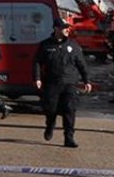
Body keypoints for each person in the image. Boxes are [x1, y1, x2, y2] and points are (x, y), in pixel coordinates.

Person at [33, 19, 91, 148]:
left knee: (69, 110)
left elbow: (81, 64)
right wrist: (37, 78)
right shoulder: (45, 45)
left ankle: (69, 137)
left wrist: (87, 80)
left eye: (67, 27)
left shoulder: (73, 45)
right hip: (52, 83)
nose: (67, 30)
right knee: (51, 109)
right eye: (64, 27)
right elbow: (37, 62)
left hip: (70, 83)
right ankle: (50, 125)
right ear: (56, 29)